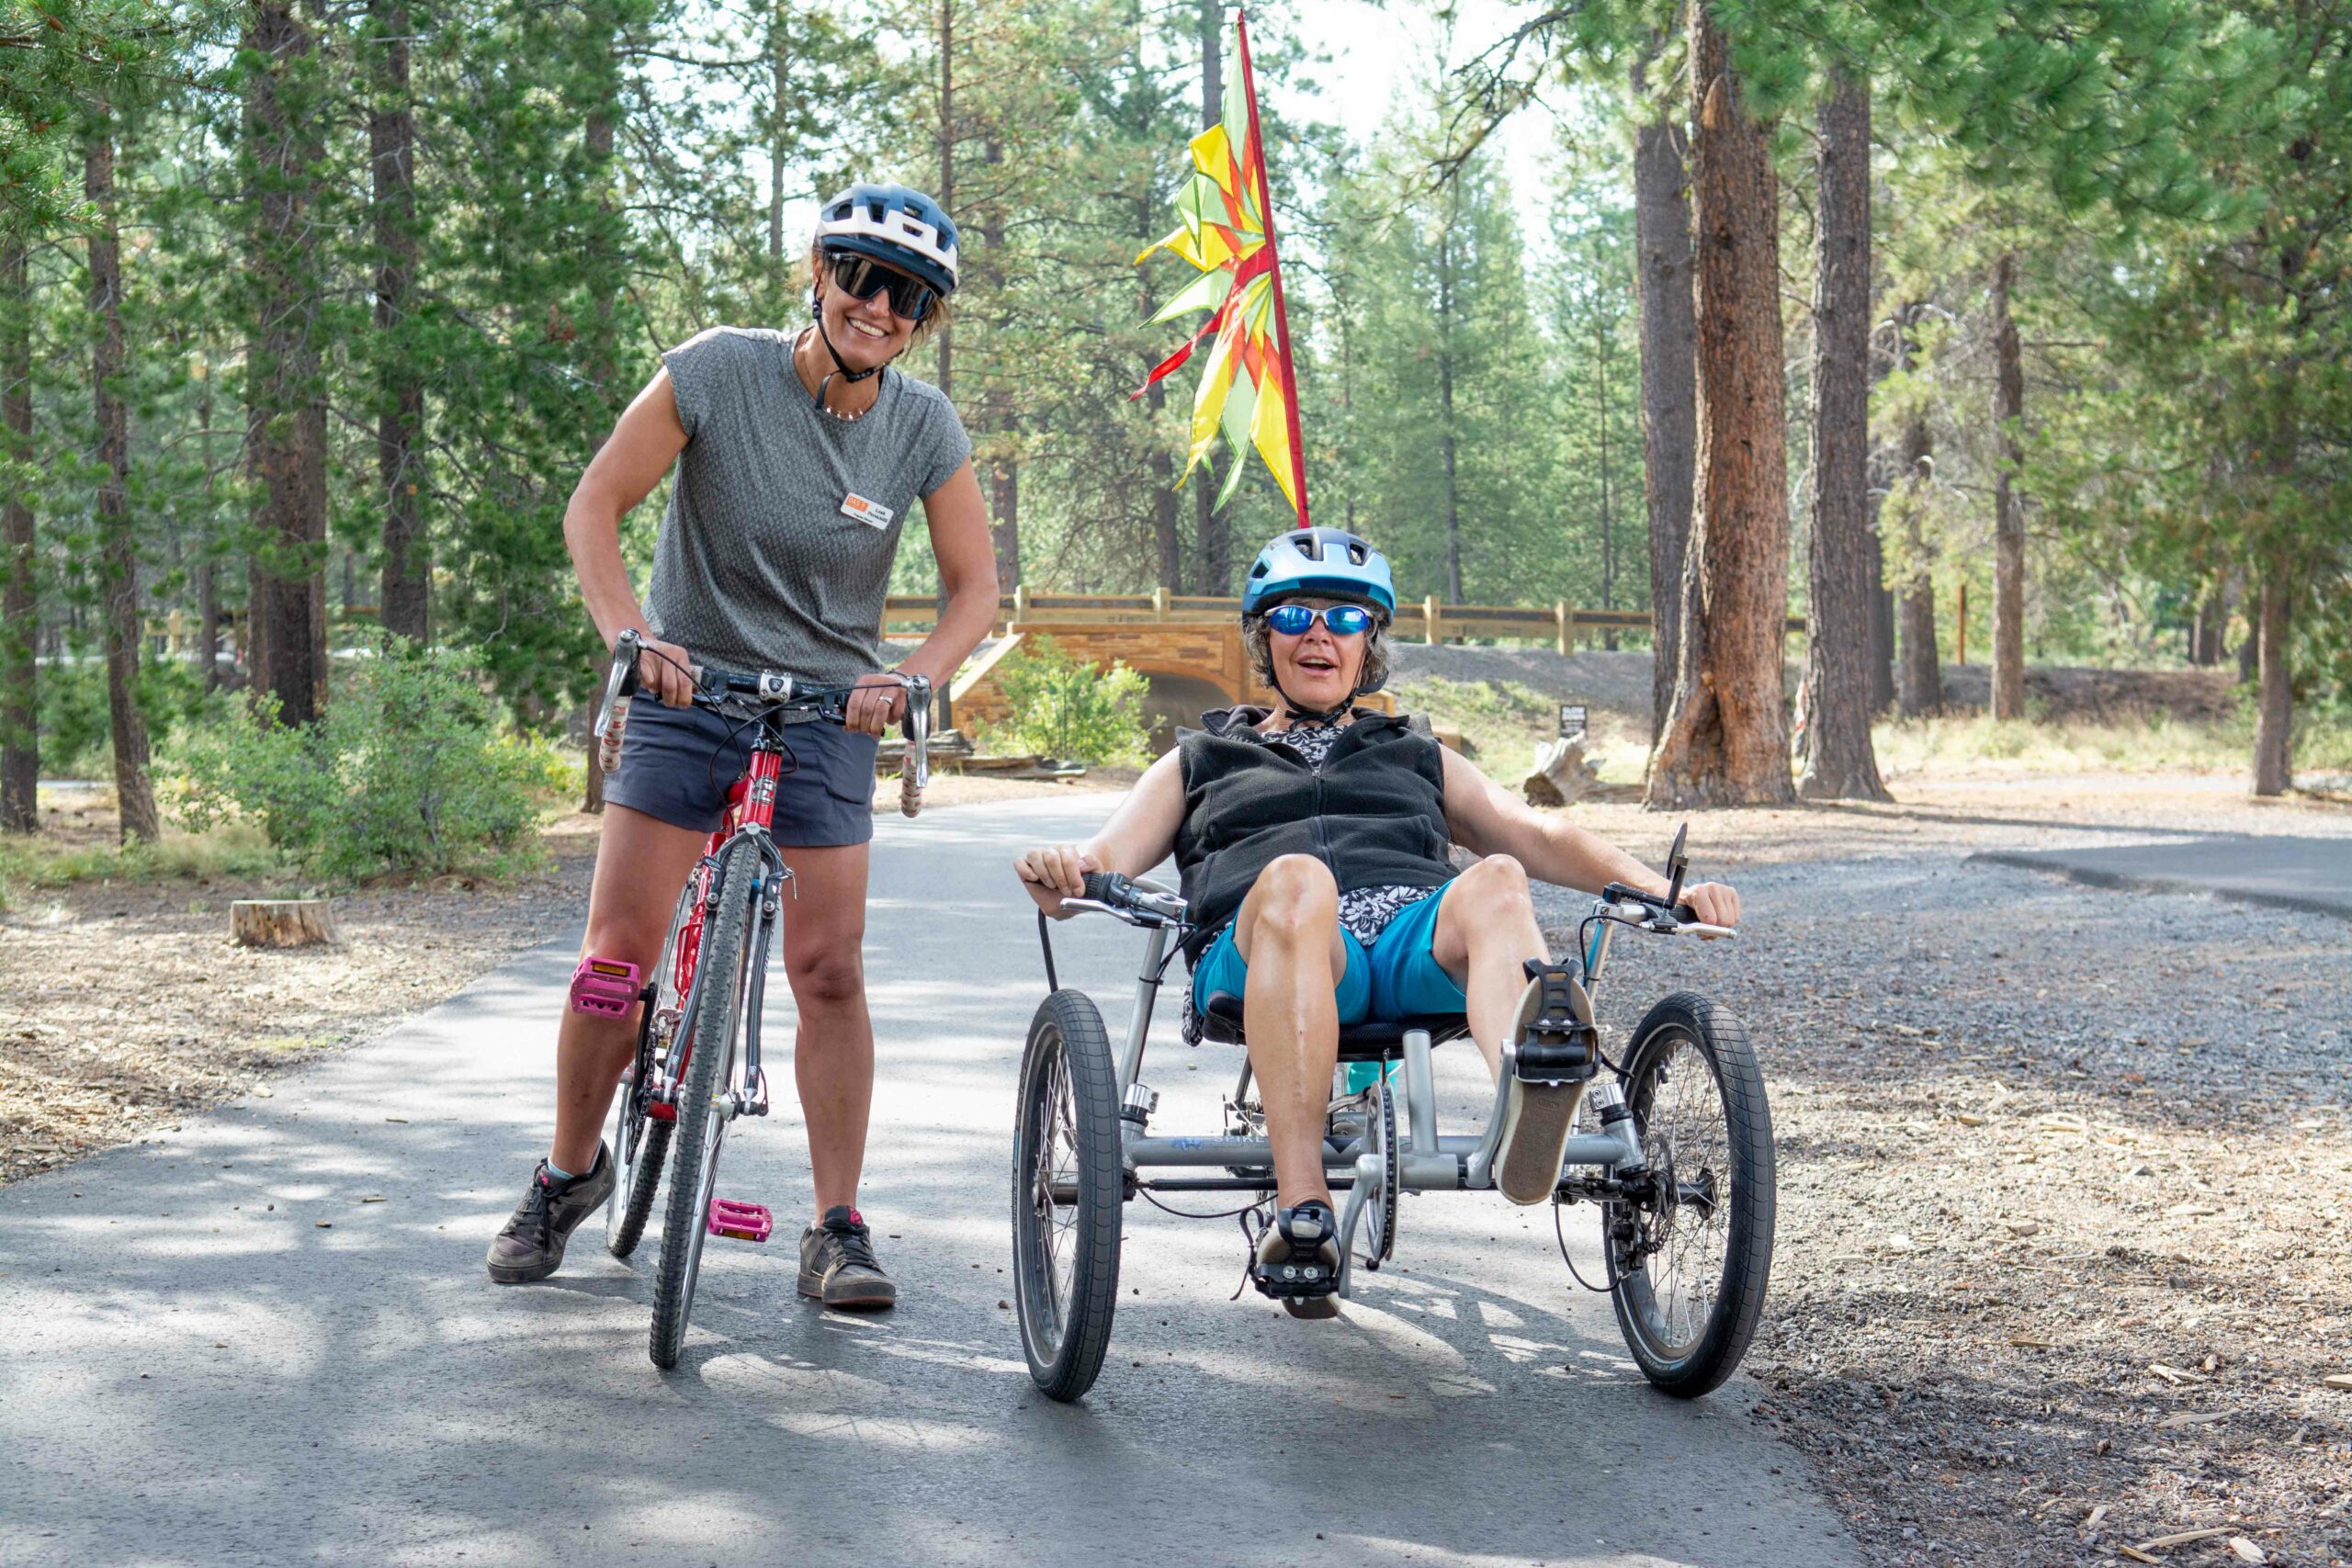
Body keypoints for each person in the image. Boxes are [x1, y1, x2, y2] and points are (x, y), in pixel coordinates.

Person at [487, 182, 1000, 1310]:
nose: (877, 306)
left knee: (829, 969)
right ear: (817, 274)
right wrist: (634, 639)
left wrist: (906, 679)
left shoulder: (923, 427)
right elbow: (593, 506)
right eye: (859, 276)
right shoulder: (717, 368)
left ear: (922, 318)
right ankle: (568, 1173)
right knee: (618, 956)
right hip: (688, 688)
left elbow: (975, 590)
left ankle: (835, 1227)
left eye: (904, 293)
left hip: (830, 712)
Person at [1013, 528, 1738, 1317]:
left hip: (1405, 941)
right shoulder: (1202, 759)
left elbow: (1535, 833)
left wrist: (1662, 890)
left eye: (1345, 619)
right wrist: (1066, 872)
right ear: (1265, 637)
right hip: (1268, 942)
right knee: (1298, 880)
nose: (1319, 633)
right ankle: (1304, 1210)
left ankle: (1528, 1106)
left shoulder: (1414, 749)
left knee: (1497, 877)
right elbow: (1104, 856)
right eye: (1294, 616)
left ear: (1369, 646)